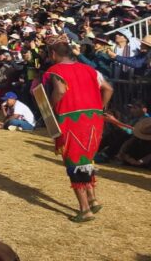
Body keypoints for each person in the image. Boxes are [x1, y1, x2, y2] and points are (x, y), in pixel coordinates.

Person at [42, 34, 112, 222]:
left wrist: (50, 107)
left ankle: (85, 209)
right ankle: (93, 199)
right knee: (85, 159)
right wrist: (101, 108)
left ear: (54, 54)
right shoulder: (90, 69)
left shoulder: (56, 71)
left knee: (74, 162)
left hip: (72, 120)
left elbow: (61, 91)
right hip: (94, 119)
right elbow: (108, 88)